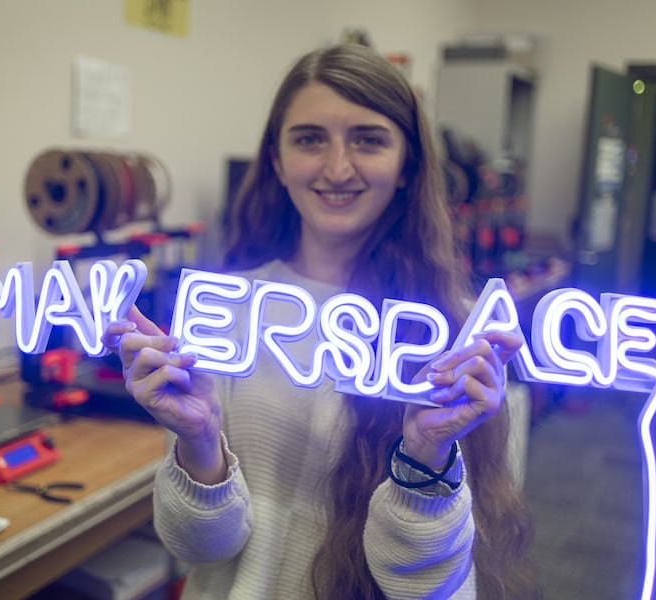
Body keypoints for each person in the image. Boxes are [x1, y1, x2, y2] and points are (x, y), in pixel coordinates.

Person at [104, 43, 538, 600]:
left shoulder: (454, 336)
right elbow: (199, 551)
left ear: (408, 164)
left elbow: (432, 591)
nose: (337, 168)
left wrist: (425, 458)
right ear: (278, 160)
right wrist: (198, 440)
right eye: (310, 138)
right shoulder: (228, 308)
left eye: (369, 139)